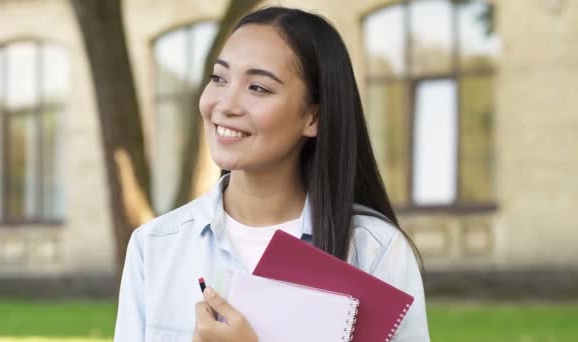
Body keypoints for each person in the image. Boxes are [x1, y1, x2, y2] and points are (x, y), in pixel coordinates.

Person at [114, 6, 430, 342]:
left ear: (313, 118)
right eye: (219, 78)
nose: (225, 104)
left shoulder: (374, 250)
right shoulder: (155, 246)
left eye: (258, 88)